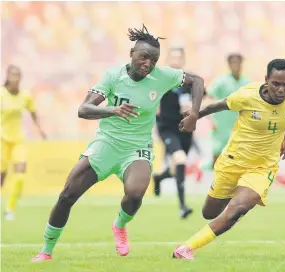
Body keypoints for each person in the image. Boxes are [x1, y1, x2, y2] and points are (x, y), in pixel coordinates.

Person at [31, 25, 205, 262]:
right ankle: (46, 250)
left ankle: (119, 225)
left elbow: (197, 80)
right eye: (144, 57)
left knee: (135, 194)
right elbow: (83, 109)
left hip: (137, 149)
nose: (148, 63)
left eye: (153, 59)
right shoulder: (114, 76)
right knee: (67, 195)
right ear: (132, 53)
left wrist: (194, 113)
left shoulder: (163, 76)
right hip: (106, 144)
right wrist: (113, 110)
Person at [173, 59, 285, 259]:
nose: (281, 89)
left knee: (237, 209)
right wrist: (194, 116)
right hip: (232, 162)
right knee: (209, 212)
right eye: (276, 83)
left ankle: (187, 247)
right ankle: (231, 204)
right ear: (266, 79)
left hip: (262, 167)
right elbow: (217, 106)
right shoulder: (247, 95)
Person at [153, 47, 197, 219]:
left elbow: (203, 96)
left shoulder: (189, 80)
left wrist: (193, 107)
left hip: (185, 129)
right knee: (180, 159)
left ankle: (158, 177)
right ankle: (183, 206)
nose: (176, 60)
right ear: (167, 60)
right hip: (167, 128)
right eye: (173, 57)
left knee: (178, 166)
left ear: (183, 60)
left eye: (180, 57)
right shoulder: (160, 79)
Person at [1, 65, 46, 221]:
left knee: (20, 175)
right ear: (7, 76)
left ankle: (10, 209)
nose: (16, 78)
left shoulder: (25, 96)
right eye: (13, 75)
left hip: (18, 140)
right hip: (2, 140)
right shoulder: (1, 94)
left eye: (18, 75)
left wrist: (40, 129)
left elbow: (33, 112)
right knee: (2, 176)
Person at [205, 54, 251, 168]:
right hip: (222, 124)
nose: (236, 65)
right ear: (229, 65)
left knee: (238, 155)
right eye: (233, 63)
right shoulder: (221, 81)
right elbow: (208, 97)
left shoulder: (247, 82)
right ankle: (214, 180)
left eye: (238, 63)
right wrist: (210, 119)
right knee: (218, 153)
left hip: (239, 124)